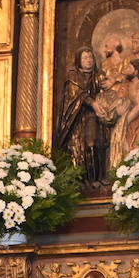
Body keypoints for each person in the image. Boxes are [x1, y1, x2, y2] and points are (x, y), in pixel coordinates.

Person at [55, 47, 107, 186]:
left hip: (93, 117)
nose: (88, 60)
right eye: (85, 58)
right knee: (77, 146)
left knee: (93, 143)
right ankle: (78, 179)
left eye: (90, 57)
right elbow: (77, 93)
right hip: (75, 118)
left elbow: (106, 93)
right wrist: (93, 103)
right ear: (79, 60)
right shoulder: (73, 75)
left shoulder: (98, 75)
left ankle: (95, 177)